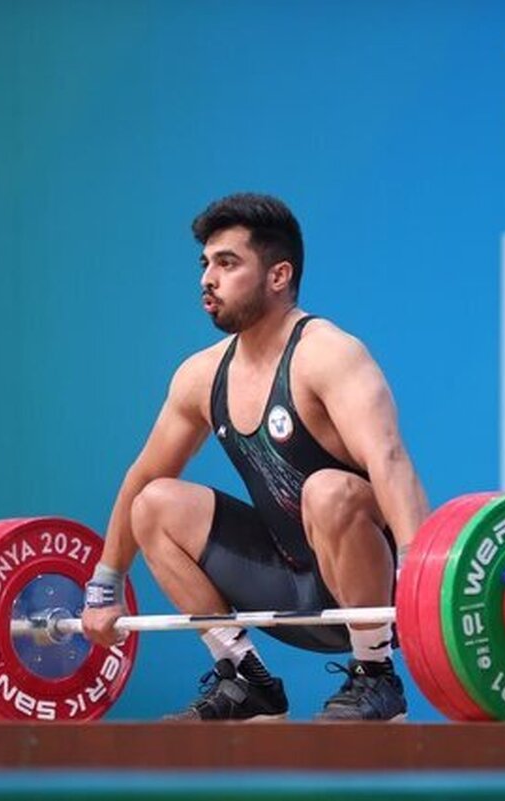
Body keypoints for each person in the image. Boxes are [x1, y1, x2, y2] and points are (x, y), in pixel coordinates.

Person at [81, 193, 430, 721]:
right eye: (205, 264)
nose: (208, 279)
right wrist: (104, 586)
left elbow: (389, 459)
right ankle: (247, 680)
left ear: (278, 275)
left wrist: (424, 572)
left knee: (329, 490)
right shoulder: (201, 375)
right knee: (152, 503)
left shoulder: (328, 354)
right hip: (284, 584)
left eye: (227, 263)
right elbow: (143, 474)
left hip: (371, 592)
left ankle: (376, 676)